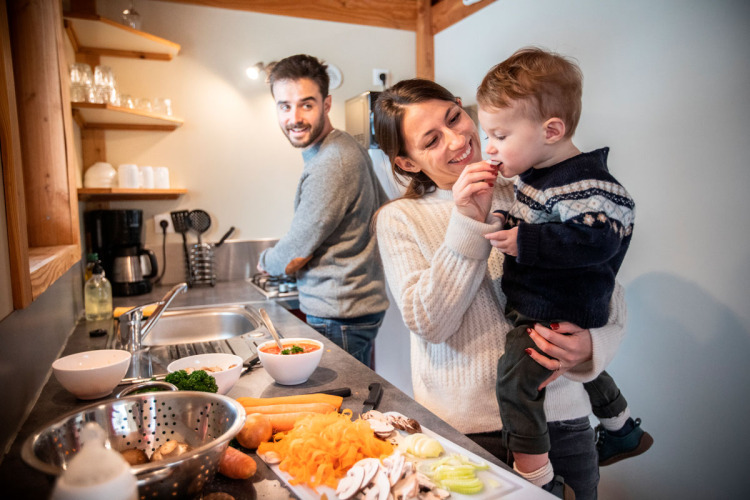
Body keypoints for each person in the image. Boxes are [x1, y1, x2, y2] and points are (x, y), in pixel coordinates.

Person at [373, 78, 627, 500]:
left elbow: (607, 289)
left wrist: (594, 345)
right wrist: (469, 221)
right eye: (432, 140)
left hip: (563, 422)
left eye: (455, 118)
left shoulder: (538, 184)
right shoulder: (400, 218)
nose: (458, 140)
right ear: (408, 162)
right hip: (467, 431)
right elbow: (428, 322)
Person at [476, 47, 653, 485]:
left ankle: (536, 479)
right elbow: (543, 220)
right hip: (546, 303)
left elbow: (594, 241)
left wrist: (524, 240)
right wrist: (507, 221)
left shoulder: (590, 183)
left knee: (516, 379)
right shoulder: (540, 176)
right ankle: (621, 428)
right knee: (572, 366)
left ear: (551, 130)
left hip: (559, 307)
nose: (489, 146)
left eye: (499, 135)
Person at [257, 54, 389, 368]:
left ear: (326, 104)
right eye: (284, 106)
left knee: (344, 409)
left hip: (340, 312)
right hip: (352, 309)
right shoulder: (339, 147)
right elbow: (383, 209)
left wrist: (264, 262)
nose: (294, 118)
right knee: (352, 404)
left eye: (306, 104)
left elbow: (294, 252)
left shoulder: (332, 162)